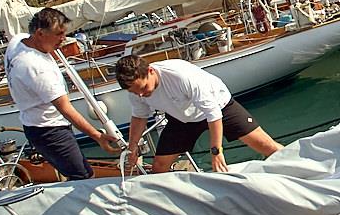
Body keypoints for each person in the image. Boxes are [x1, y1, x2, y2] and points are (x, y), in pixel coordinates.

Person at [115, 55, 283, 173]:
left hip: (220, 107)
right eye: (136, 92)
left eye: (144, 88)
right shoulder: (136, 91)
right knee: (159, 167)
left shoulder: (180, 76)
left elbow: (213, 114)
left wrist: (216, 152)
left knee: (267, 147)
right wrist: (132, 146)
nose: (141, 95)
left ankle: (302, 168)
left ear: (151, 71)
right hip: (181, 118)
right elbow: (139, 116)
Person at [5, 8, 119, 180]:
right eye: (59, 34)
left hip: (36, 125)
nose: (63, 39)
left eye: (64, 33)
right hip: (50, 131)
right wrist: (98, 136)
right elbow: (66, 109)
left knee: (76, 173)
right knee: (84, 176)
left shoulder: (18, 41)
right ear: (40, 33)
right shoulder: (36, 68)